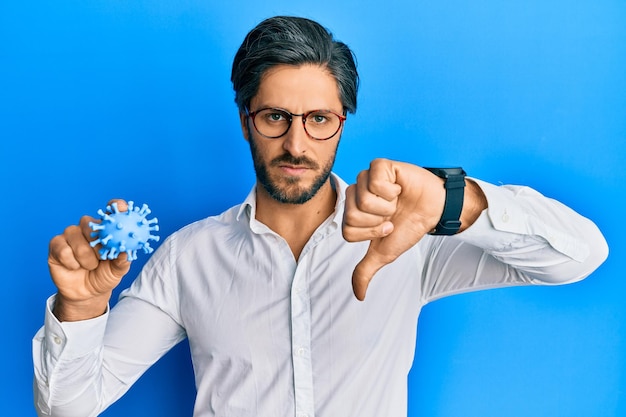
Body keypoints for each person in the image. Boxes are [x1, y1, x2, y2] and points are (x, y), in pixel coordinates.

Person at [33, 15, 608, 417]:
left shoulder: (407, 238)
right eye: (275, 117)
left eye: (319, 119)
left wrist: (454, 201)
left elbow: (582, 256)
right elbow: (70, 407)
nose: (296, 144)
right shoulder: (189, 258)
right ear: (245, 120)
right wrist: (81, 310)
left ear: (342, 123)